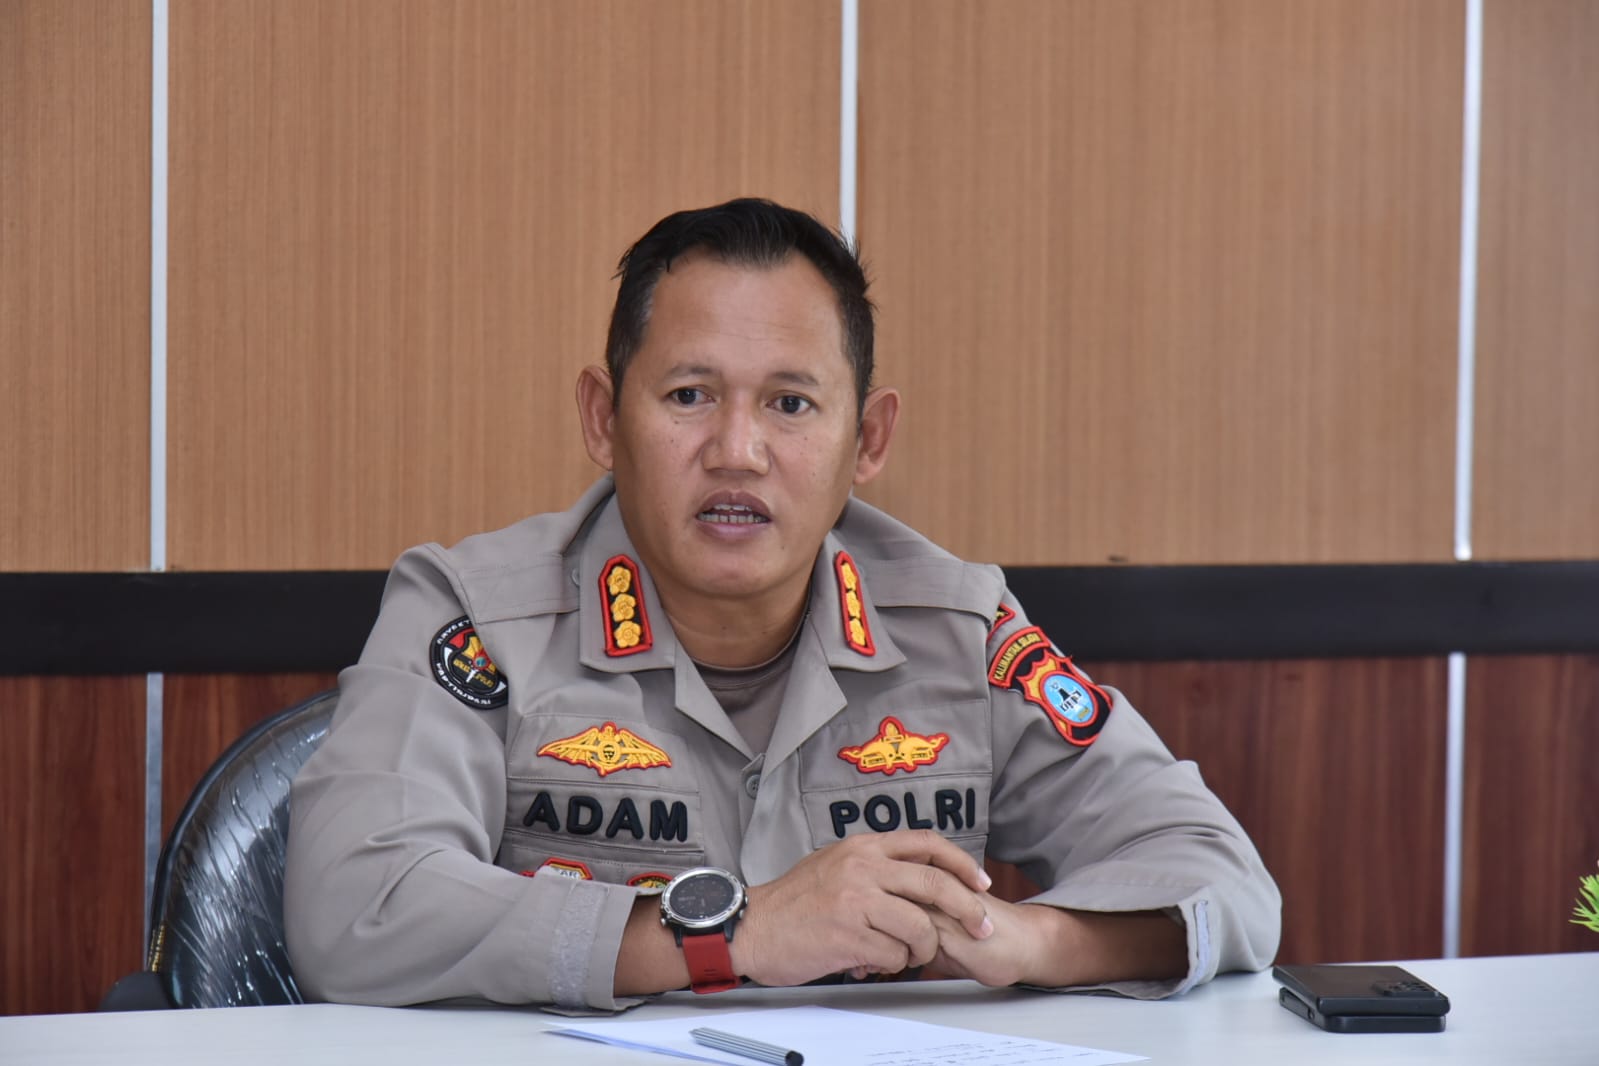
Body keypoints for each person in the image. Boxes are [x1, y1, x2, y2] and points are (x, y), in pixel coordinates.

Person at [284, 198, 1280, 1012]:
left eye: (790, 404)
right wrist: (731, 934)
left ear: (868, 440)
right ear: (602, 417)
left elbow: (1219, 874)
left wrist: (1026, 938)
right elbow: (352, 907)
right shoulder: (477, 617)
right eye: (688, 396)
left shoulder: (956, 628)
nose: (737, 451)